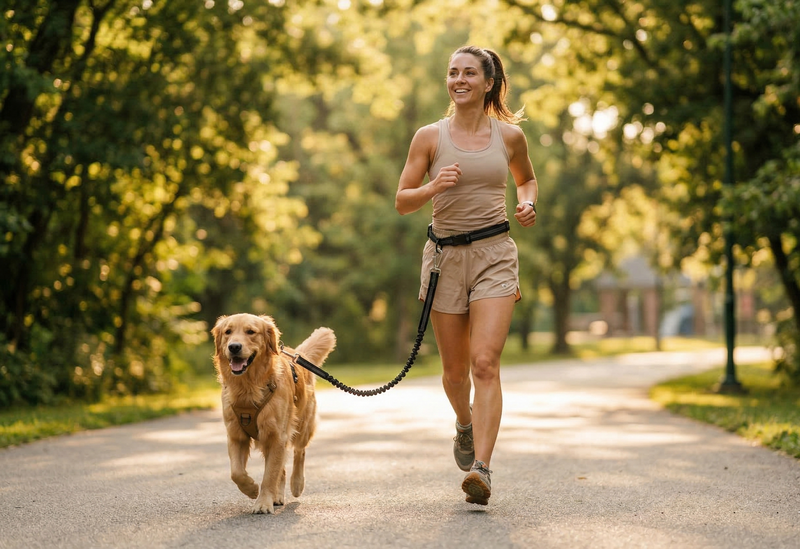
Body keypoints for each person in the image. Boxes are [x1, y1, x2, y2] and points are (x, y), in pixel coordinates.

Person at [395, 45, 538, 506]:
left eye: (469, 73)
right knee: (455, 374)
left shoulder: (510, 136)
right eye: (453, 72)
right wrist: (433, 186)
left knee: (485, 364)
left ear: (488, 83)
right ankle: (464, 423)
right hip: (445, 260)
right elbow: (402, 200)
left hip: (495, 254)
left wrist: (527, 203)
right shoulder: (429, 137)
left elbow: (526, 179)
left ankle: (482, 468)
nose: (459, 79)